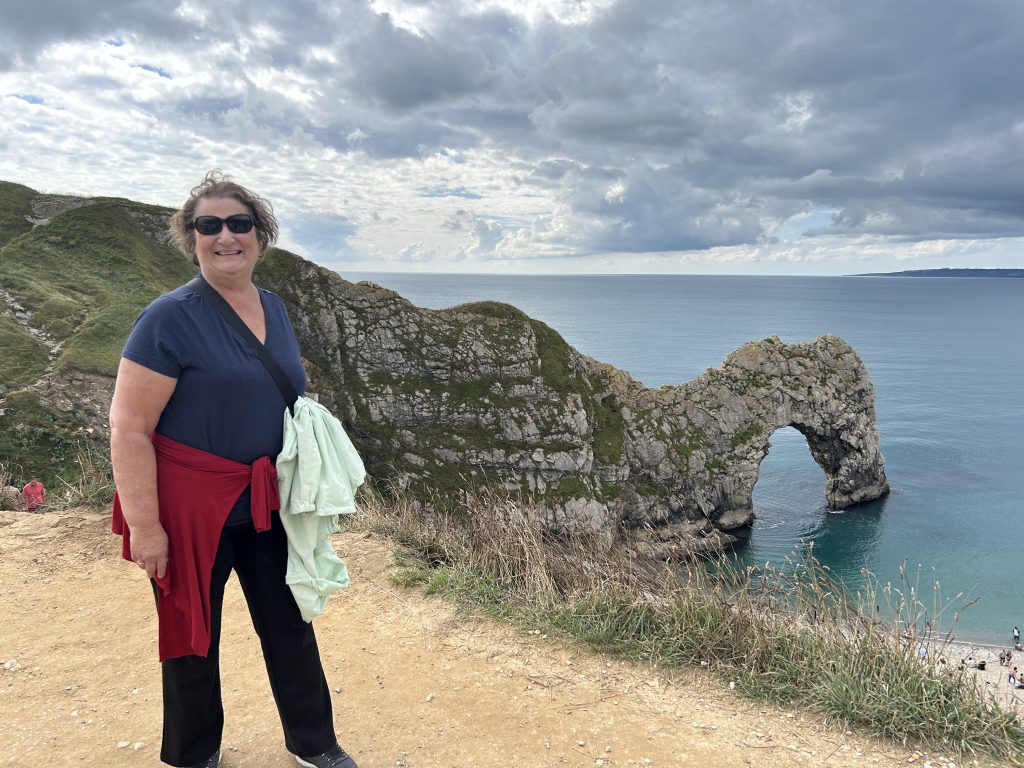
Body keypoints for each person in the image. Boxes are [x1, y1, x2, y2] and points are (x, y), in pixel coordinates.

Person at [109, 172, 357, 768]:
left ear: (260, 237)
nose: (226, 236)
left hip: (265, 500)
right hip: (191, 507)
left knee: (291, 621)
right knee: (193, 634)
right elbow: (129, 427)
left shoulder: (272, 306)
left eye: (239, 224)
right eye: (209, 225)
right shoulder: (169, 317)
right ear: (191, 238)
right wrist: (145, 528)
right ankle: (194, 754)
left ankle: (313, 743)